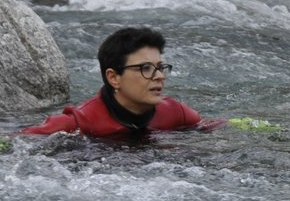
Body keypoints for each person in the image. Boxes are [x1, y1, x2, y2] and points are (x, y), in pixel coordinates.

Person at [21, 26, 219, 138]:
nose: (159, 76)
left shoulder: (176, 112)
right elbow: (18, 142)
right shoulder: (78, 122)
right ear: (114, 78)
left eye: (160, 67)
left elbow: (212, 126)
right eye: (146, 68)